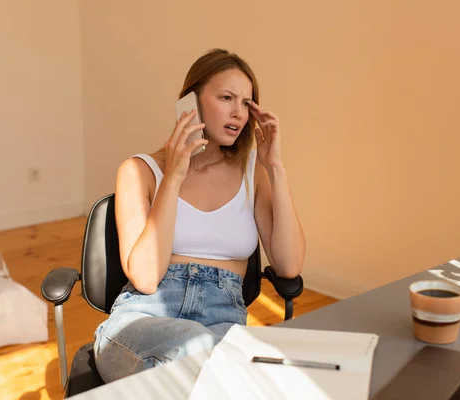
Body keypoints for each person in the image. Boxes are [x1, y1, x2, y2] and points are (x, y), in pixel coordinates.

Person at [93, 48, 306, 383]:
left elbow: (289, 266)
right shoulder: (140, 171)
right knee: (214, 361)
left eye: (247, 103)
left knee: (214, 363)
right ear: (189, 103)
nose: (238, 113)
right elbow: (146, 278)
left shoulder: (255, 173)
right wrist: (174, 176)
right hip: (143, 320)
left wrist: (275, 168)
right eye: (226, 97)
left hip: (221, 319)